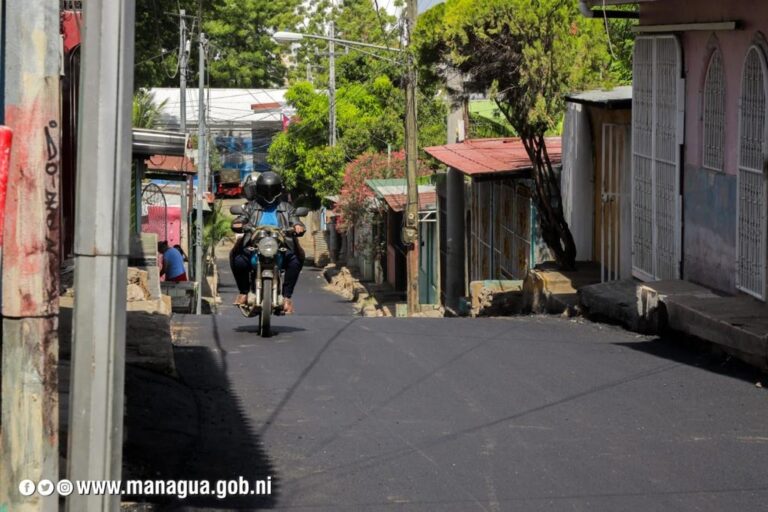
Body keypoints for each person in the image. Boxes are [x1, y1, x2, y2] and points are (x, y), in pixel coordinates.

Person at [230, 171, 305, 314]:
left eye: (273, 189)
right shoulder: (251, 206)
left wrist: (297, 225)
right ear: (258, 189)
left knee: (297, 257)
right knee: (237, 257)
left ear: (279, 190)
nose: (269, 193)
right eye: (265, 189)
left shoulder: (286, 207)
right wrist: (239, 223)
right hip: (254, 245)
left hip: (282, 244)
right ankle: (244, 292)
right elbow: (242, 217)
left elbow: (295, 218)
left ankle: (287, 297)